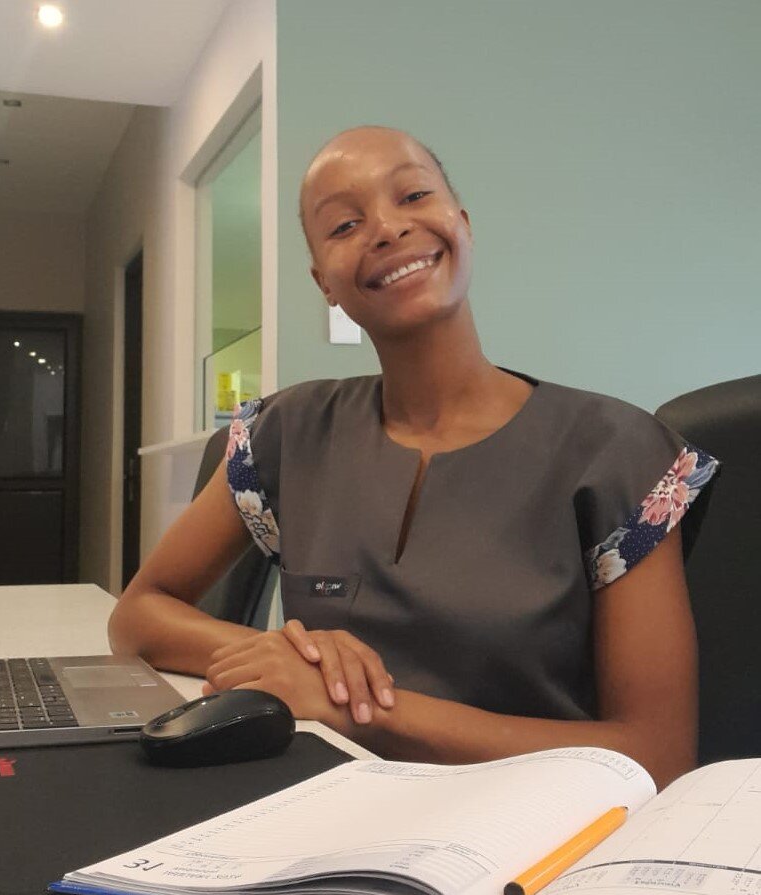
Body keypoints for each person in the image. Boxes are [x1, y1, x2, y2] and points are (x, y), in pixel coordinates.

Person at [109, 126, 718, 789]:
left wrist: (358, 705)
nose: (386, 228)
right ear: (324, 283)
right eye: (343, 224)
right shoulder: (286, 431)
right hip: (311, 811)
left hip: (533, 834)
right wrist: (287, 656)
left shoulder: (618, 450)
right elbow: (138, 614)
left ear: (461, 221)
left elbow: (657, 753)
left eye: (414, 194)